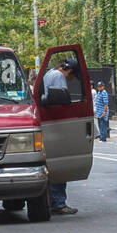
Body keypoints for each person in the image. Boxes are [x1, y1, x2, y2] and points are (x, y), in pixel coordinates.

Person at [40, 56, 80, 215]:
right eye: (72, 76)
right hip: (56, 124)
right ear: (69, 71)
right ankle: (59, 203)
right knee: (60, 163)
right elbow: (61, 101)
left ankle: (52, 201)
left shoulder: (49, 73)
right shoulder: (58, 77)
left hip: (49, 123)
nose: (70, 80)